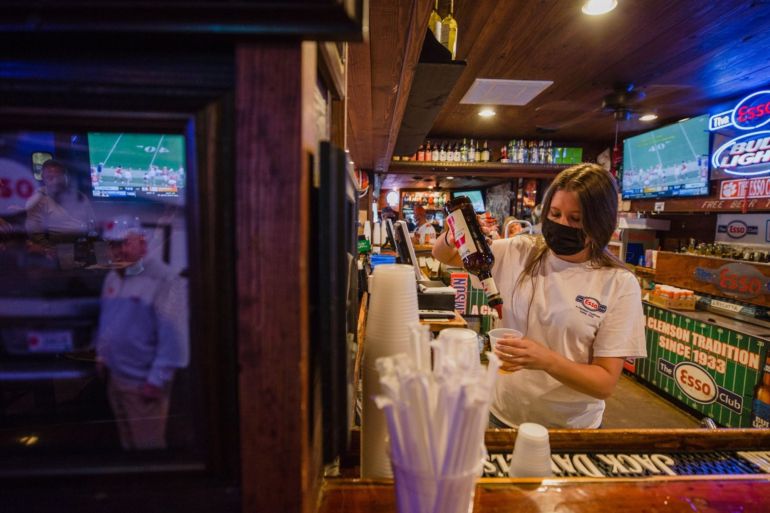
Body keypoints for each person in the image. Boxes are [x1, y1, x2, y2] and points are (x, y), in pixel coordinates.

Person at [433, 163, 646, 429]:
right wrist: (456, 234)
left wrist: (546, 360)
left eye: (576, 219)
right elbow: (444, 255)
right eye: (555, 214)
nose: (561, 224)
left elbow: (604, 383)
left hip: (571, 431)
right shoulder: (520, 251)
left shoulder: (618, 284)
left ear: (599, 223)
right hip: (502, 415)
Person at [95, 215, 189, 450]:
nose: (118, 251)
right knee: (127, 444)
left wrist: (156, 381)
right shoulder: (112, 277)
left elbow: (175, 339)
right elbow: (109, 320)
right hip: (115, 378)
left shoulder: (166, 280)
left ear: (143, 243)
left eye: (125, 243)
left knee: (148, 450)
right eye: (112, 245)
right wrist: (102, 355)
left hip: (143, 385)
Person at [25, 159, 95, 254]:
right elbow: (36, 235)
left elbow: (92, 224)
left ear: (67, 177)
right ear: (43, 178)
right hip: (56, 250)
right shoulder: (38, 200)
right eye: (50, 178)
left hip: (84, 247)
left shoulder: (80, 197)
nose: (55, 182)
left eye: (59, 177)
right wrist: (51, 250)